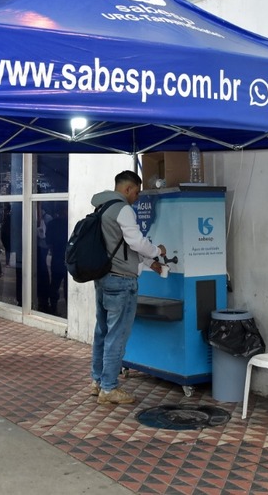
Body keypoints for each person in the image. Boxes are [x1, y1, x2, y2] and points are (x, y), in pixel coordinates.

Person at [90, 170, 166, 405]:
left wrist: (148, 263)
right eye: (137, 191)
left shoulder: (101, 208)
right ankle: (109, 388)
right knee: (117, 335)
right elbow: (135, 242)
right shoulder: (123, 209)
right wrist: (157, 251)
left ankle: (98, 381)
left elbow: (121, 247)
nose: (138, 196)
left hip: (103, 278)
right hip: (121, 281)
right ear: (128, 189)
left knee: (102, 332)